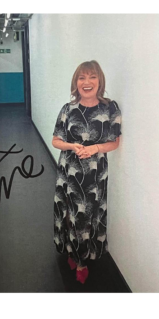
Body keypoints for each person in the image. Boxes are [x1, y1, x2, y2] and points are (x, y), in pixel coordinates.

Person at [52, 60, 122, 284]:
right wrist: (72, 146)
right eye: (82, 78)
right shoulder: (68, 109)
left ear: (99, 80)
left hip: (95, 175)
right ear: (76, 83)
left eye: (92, 77)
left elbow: (114, 142)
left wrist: (95, 148)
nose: (87, 82)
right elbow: (55, 140)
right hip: (69, 172)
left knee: (88, 217)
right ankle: (75, 255)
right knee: (70, 215)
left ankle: (83, 257)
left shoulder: (110, 108)